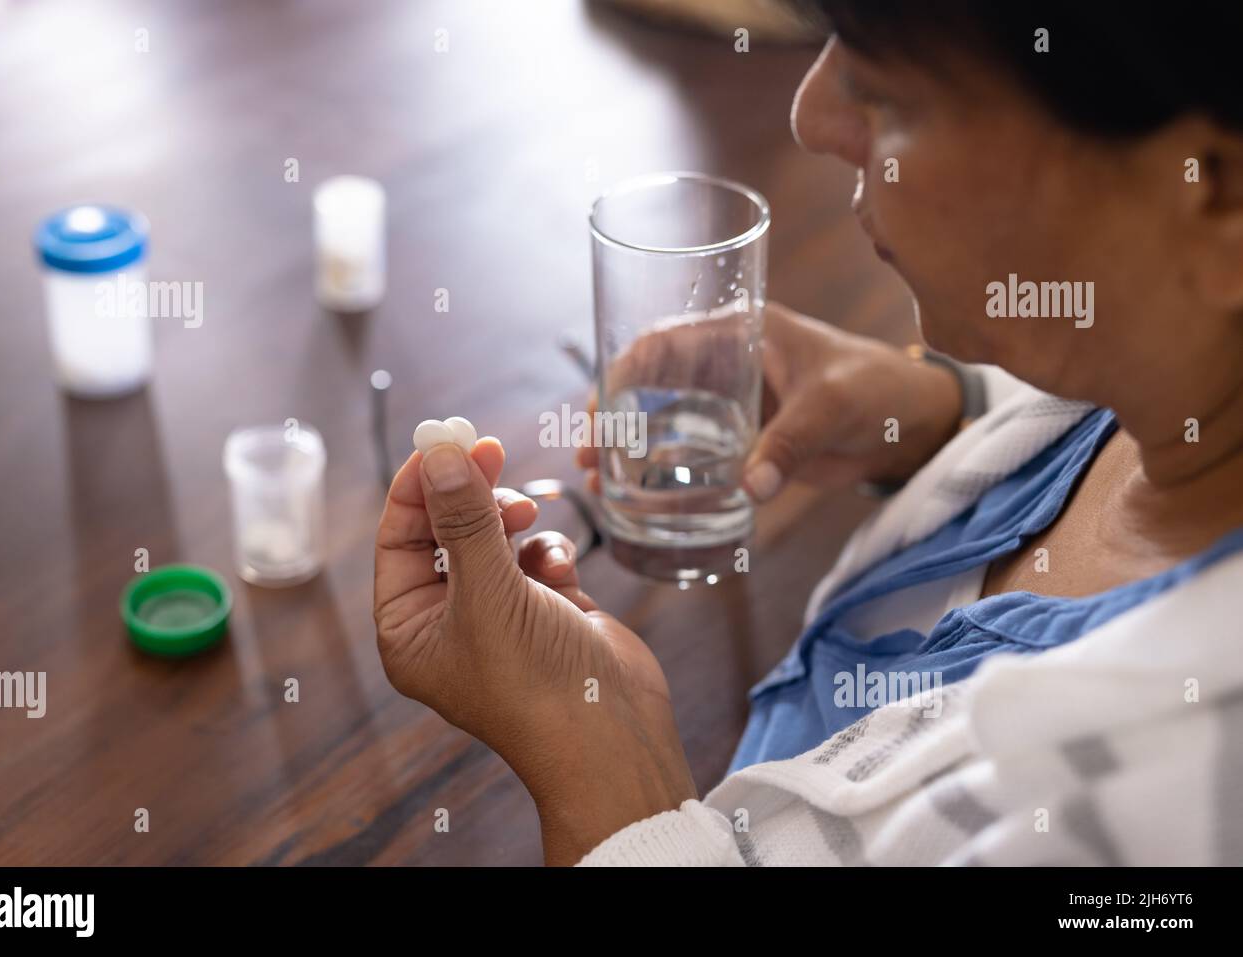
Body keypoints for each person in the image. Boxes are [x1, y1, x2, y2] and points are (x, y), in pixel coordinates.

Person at [373, 1, 1243, 865]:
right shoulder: (1168, 406)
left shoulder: (1143, 813)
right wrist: (941, 411)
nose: (813, 116)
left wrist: (602, 777)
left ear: (1214, 191)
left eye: (890, 91)